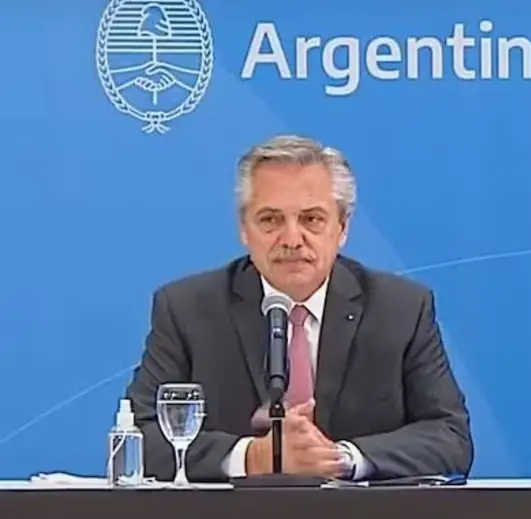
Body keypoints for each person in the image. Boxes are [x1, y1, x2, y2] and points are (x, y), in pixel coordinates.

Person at [126, 135, 474, 482]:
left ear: (342, 228)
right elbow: (139, 435)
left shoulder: (400, 309)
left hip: (361, 516)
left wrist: (340, 458)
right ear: (244, 229)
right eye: (270, 220)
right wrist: (253, 457)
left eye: (311, 219)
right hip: (233, 517)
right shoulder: (187, 309)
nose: (292, 240)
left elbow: (450, 436)